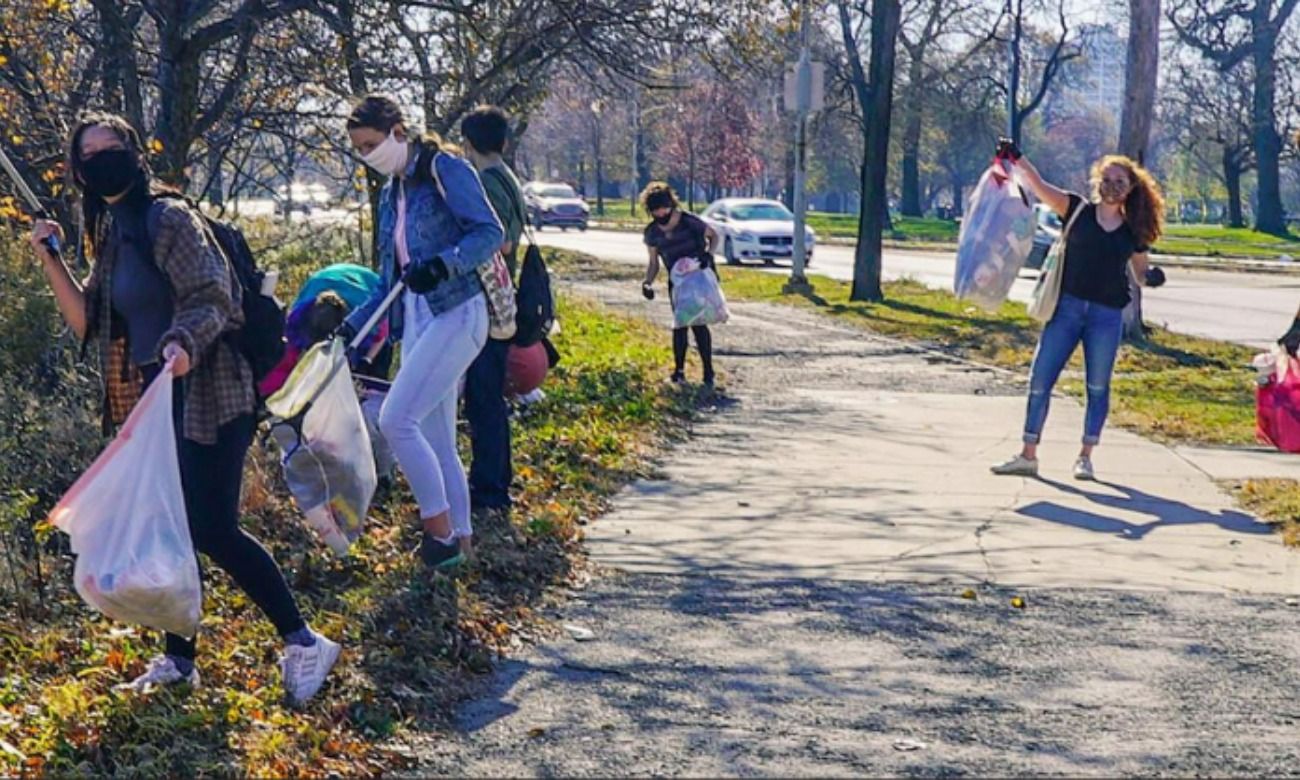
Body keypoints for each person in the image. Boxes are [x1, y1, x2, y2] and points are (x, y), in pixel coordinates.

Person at [28, 113, 338, 704]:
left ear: (134, 153)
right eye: (89, 155)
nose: (103, 160)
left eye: (112, 148)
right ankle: (179, 660)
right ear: (79, 171)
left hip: (212, 392)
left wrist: (182, 343)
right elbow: (89, 322)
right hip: (154, 399)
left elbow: (213, 294)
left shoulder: (168, 218)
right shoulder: (113, 233)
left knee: (210, 527)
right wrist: (50, 259)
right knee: (169, 525)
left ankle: (304, 641)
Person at [341, 95, 504, 567]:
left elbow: (489, 233)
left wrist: (442, 265)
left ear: (398, 131)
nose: (367, 156)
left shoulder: (445, 169)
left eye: (371, 144)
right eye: (359, 149)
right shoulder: (391, 194)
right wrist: (349, 329)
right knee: (436, 441)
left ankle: (439, 535)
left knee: (396, 419)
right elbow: (388, 284)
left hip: (457, 310)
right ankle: (463, 544)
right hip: (416, 317)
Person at [989, 139, 1165, 481]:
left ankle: (1085, 456)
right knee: (1040, 379)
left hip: (1106, 316)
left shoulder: (1133, 230)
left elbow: (1140, 273)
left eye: (1120, 182)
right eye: (1106, 179)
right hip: (1066, 309)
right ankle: (1028, 454)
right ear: (1097, 181)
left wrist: (1152, 277)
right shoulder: (1076, 210)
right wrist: (1018, 158)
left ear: (1131, 188)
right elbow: (1039, 186)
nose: (1112, 187)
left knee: (1097, 386)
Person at [460, 105, 527, 517]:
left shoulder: (487, 181)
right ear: (503, 141)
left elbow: (499, 241)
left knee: (483, 399)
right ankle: (495, 479)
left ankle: (490, 488)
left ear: (468, 143)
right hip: (503, 299)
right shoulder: (508, 178)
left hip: (490, 301)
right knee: (488, 398)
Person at [639, 181, 719, 387]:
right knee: (680, 324)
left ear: (671, 205)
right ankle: (679, 371)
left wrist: (708, 255)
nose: (661, 213)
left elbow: (714, 236)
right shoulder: (652, 232)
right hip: (678, 283)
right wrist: (647, 283)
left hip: (699, 278)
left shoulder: (688, 221)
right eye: (656, 210)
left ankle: (708, 372)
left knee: (699, 324)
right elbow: (653, 262)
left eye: (664, 208)